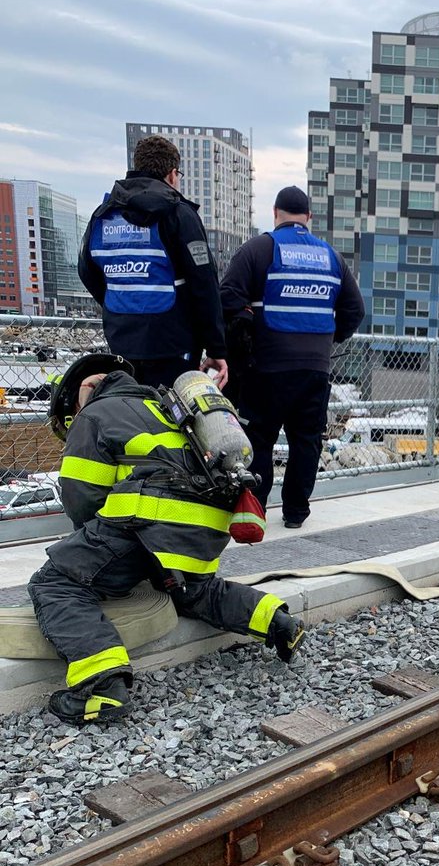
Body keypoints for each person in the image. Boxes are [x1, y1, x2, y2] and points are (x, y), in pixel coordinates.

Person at [28, 354, 304, 724]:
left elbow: (83, 502)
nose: (73, 417)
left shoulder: (95, 414)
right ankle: (278, 622)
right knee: (192, 591)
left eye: (71, 410)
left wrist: (93, 557)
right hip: (204, 528)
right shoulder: (167, 409)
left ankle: (100, 687)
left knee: (57, 583)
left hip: (150, 519)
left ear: (89, 387)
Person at [220, 186, 365, 529]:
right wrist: (331, 338)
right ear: (309, 218)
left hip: (266, 367)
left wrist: (244, 328)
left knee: (259, 440)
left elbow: (226, 296)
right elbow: (355, 310)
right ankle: (296, 512)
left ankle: (254, 512)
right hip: (314, 369)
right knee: (306, 441)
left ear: (275, 213)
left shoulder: (258, 250)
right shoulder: (332, 257)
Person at [78, 135, 228, 393]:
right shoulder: (179, 214)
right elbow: (203, 282)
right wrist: (215, 347)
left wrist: (122, 304)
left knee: (130, 415)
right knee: (172, 419)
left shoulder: (103, 216)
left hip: (122, 341)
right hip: (173, 345)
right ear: (172, 174)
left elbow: (87, 271)